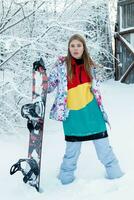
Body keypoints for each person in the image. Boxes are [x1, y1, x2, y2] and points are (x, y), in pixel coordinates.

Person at [47, 34, 124, 185]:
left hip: (93, 113)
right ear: (69, 48)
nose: (76, 48)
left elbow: (94, 90)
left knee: (105, 150)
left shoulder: (90, 66)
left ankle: (118, 181)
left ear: (84, 47)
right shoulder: (61, 68)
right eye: (72, 45)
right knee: (71, 153)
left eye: (79, 45)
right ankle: (64, 183)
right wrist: (41, 72)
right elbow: (47, 87)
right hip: (72, 116)